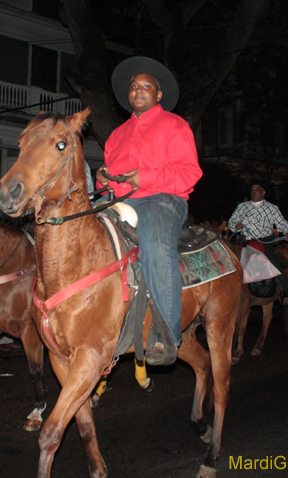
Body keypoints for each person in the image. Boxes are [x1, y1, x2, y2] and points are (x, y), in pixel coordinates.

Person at [96, 56, 202, 367]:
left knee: (155, 248)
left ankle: (165, 334)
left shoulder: (175, 125)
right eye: (133, 86)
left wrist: (146, 178)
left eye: (146, 86)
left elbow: (189, 172)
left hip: (162, 200)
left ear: (158, 95)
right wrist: (103, 181)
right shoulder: (116, 136)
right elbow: (110, 184)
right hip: (121, 202)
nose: (138, 90)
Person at [227, 182, 288, 300]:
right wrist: (235, 226)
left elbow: (281, 222)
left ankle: (283, 290)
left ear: (263, 192)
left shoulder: (272, 208)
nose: (254, 191)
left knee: (272, 262)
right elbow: (231, 222)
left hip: (263, 242)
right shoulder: (242, 206)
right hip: (244, 242)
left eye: (257, 189)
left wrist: (287, 232)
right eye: (252, 189)